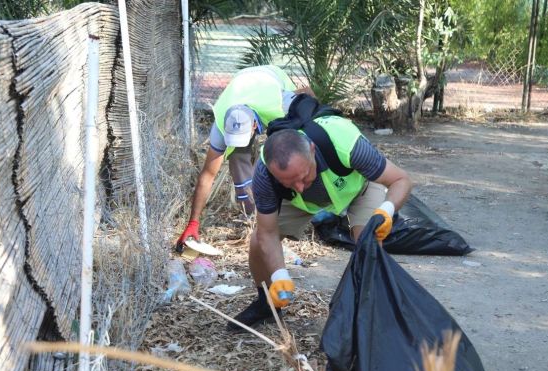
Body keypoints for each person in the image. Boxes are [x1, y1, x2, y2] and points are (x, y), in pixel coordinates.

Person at [228, 114, 413, 330]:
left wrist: (386, 210)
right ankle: (267, 304)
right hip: (301, 204)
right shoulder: (264, 174)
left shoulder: (346, 144)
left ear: (313, 150)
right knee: (257, 242)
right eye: (288, 181)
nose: (299, 186)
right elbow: (267, 232)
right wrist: (279, 274)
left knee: (368, 244)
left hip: (357, 188)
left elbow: (401, 180)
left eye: (304, 176)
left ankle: (370, 313)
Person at [175, 65, 313, 252]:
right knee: (237, 158)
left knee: (283, 157)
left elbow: (308, 94)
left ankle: (285, 212)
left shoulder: (280, 103)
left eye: (243, 137)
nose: (239, 143)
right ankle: (255, 220)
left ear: (255, 125)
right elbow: (207, 175)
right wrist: (193, 221)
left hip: (269, 78)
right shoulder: (221, 121)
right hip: (241, 85)